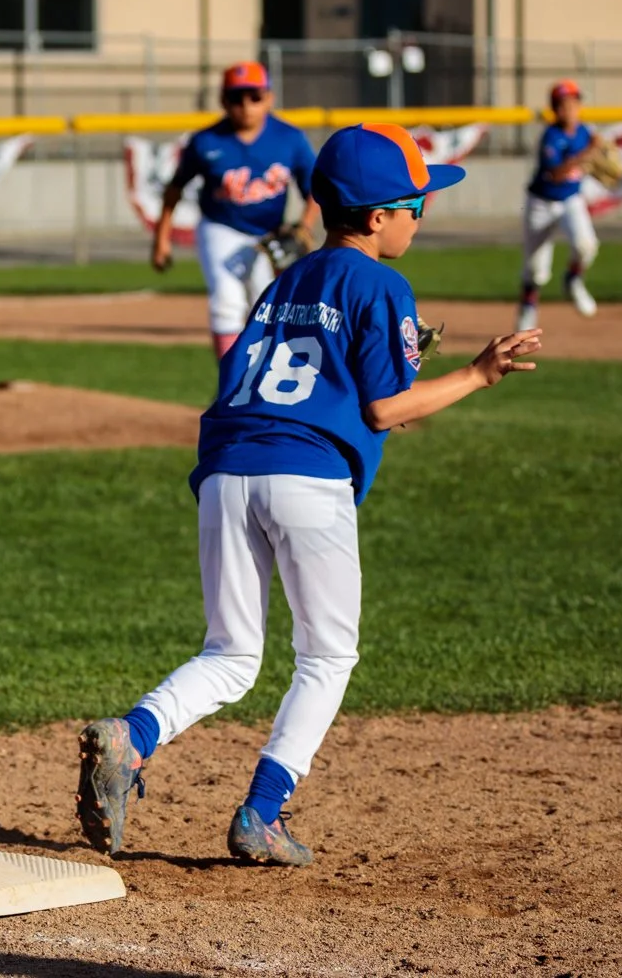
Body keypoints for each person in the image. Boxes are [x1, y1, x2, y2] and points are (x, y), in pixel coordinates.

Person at [75, 124, 542, 866]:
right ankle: (263, 812)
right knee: (327, 656)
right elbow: (385, 410)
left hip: (227, 469)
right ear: (380, 216)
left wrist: (404, 346)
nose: (422, 215)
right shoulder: (384, 281)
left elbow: (313, 359)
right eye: (416, 202)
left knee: (231, 653)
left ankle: (133, 737)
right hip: (307, 477)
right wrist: (479, 374)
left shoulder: (285, 279)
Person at [151, 61, 318, 359]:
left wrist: (304, 226)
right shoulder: (206, 141)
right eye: (236, 97)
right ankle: (231, 383)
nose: (246, 105)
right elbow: (175, 188)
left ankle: (260, 382)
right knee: (227, 301)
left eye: (254, 96)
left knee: (267, 304)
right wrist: (161, 238)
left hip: (269, 234)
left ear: (269, 97)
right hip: (221, 227)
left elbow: (315, 190)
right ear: (223, 101)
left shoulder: (289, 139)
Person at [518, 79, 601, 330]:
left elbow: (595, 158)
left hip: (570, 201)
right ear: (555, 109)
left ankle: (573, 279)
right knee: (535, 268)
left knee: (586, 246)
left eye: (575, 103)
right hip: (541, 204)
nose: (571, 109)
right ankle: (528, 305)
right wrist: (588, 154)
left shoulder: (586, 132)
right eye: (565, 105)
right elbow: (555, 173)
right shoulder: (550, 137)